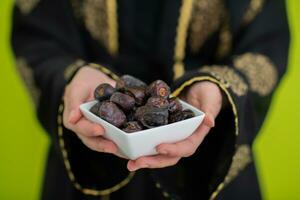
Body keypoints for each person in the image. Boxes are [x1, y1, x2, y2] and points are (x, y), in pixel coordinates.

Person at [11, 0, 290, 199]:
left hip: (206, 163)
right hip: (90, 159)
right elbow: (36, 36)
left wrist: (218, 87)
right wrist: (72, 77)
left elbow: (267, 46)